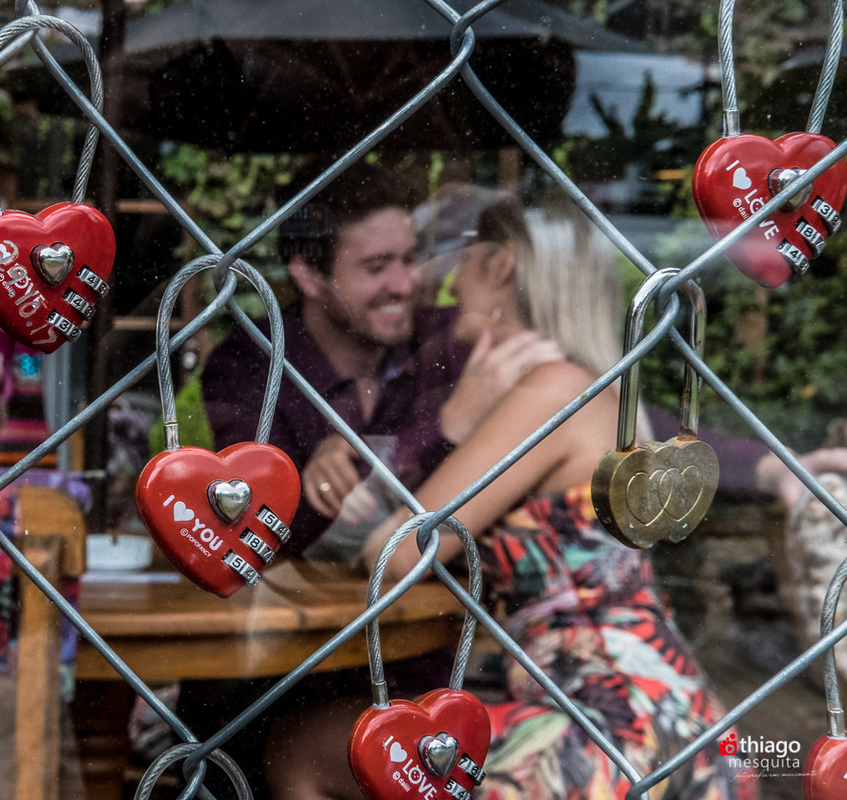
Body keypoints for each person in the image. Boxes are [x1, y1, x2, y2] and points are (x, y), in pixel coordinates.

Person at [264, 198, 757, 800]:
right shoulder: (589, 386)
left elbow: (397, 552)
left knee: (299, 748)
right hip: (665, 714)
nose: (437, 286)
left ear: (501, 268)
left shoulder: (549, 392)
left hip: (606, 732)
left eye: (464, 263)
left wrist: (454, 424)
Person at [201, 165, 562, 558]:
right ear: (308, 275)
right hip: (308, 613)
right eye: (376, 267)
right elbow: (261, 532)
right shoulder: (251, 364)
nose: (405, 284)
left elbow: (572, 387)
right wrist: (446, 427)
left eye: (409, 259)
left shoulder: (446, 339)